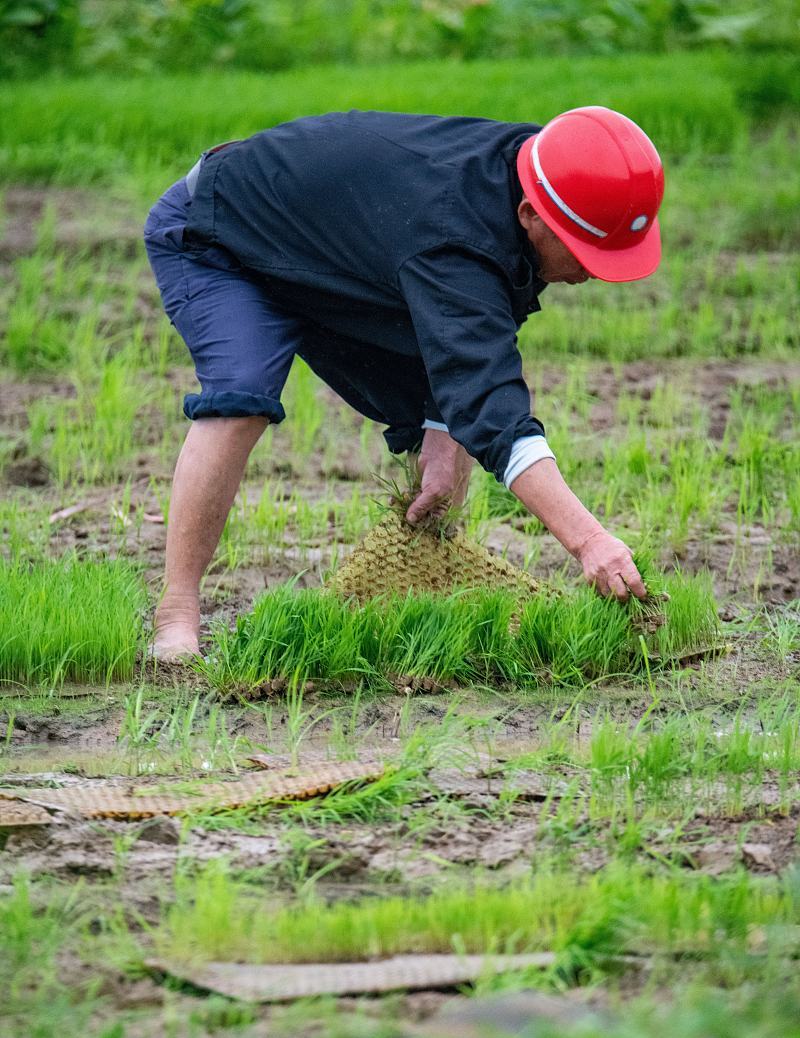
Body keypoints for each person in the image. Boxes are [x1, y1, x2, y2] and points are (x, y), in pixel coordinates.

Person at [143, 104, 665, 660]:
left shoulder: (544, 167)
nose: (590, 272)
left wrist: (441, 429)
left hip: (330, 251)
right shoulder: (452, 235)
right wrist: (588, 541)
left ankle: (424, 591)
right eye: (583, 252)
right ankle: (176, 614)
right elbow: (488, 395)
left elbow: (475, 325)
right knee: (240, 398)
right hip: (218, 233)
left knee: (453, 416)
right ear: (529, 213)